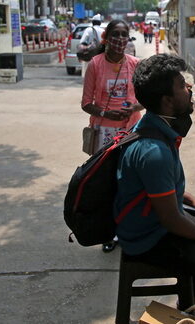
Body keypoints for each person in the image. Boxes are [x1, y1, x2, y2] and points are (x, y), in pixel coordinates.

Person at [116, 54, 195, 323]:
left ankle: (190, 302)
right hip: (148, 238)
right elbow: (171, 219)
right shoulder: (153, 151)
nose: (189, 88)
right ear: (167, 100)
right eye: (181, 84)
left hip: (155, 221)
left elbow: (158, 187)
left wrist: (193, 200)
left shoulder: (154, 124)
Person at [81, 20, 144, 252]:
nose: (119, 39)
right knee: (107, 184)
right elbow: (86, 103)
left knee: (129, 183)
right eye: (115, 35)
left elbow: (146, 97)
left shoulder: (135, 64)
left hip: (131, 133)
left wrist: (134, 109)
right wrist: (107, 112)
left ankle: (127, 231)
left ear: (128, 39)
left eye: (124, 35)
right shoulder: (95, 65)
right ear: (106, 38)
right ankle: (108, 233)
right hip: (104, 134)